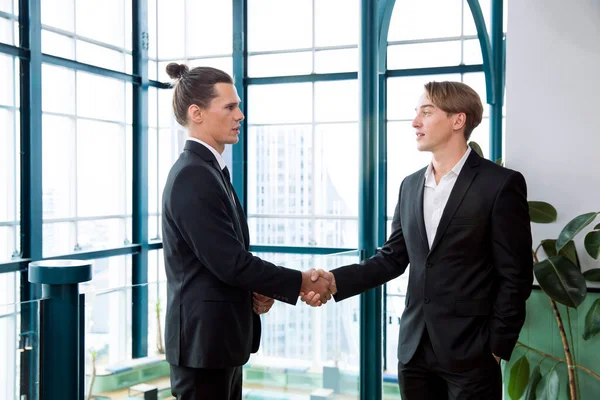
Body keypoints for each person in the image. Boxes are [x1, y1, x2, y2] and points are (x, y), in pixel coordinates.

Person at [303, 81, 533, 399]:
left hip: (472, 353)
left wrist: (496, 347)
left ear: (458, 120)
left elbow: (516, 276)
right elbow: (392, 258)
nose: (415, 122)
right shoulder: (410, 186)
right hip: (414, 351)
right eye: (416, 113)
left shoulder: (500, 184)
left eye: (426, 112)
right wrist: (333, 280)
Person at [161, 63, 332, 400]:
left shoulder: (210, 171)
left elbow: (225, 259)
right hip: (203, 347)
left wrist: (258, 288)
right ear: (196, 113)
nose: (240, 114)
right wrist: (299, 282)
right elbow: (230, 262)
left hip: (218, 344)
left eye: (237, 105)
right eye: (230, 107)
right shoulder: (192, 175)